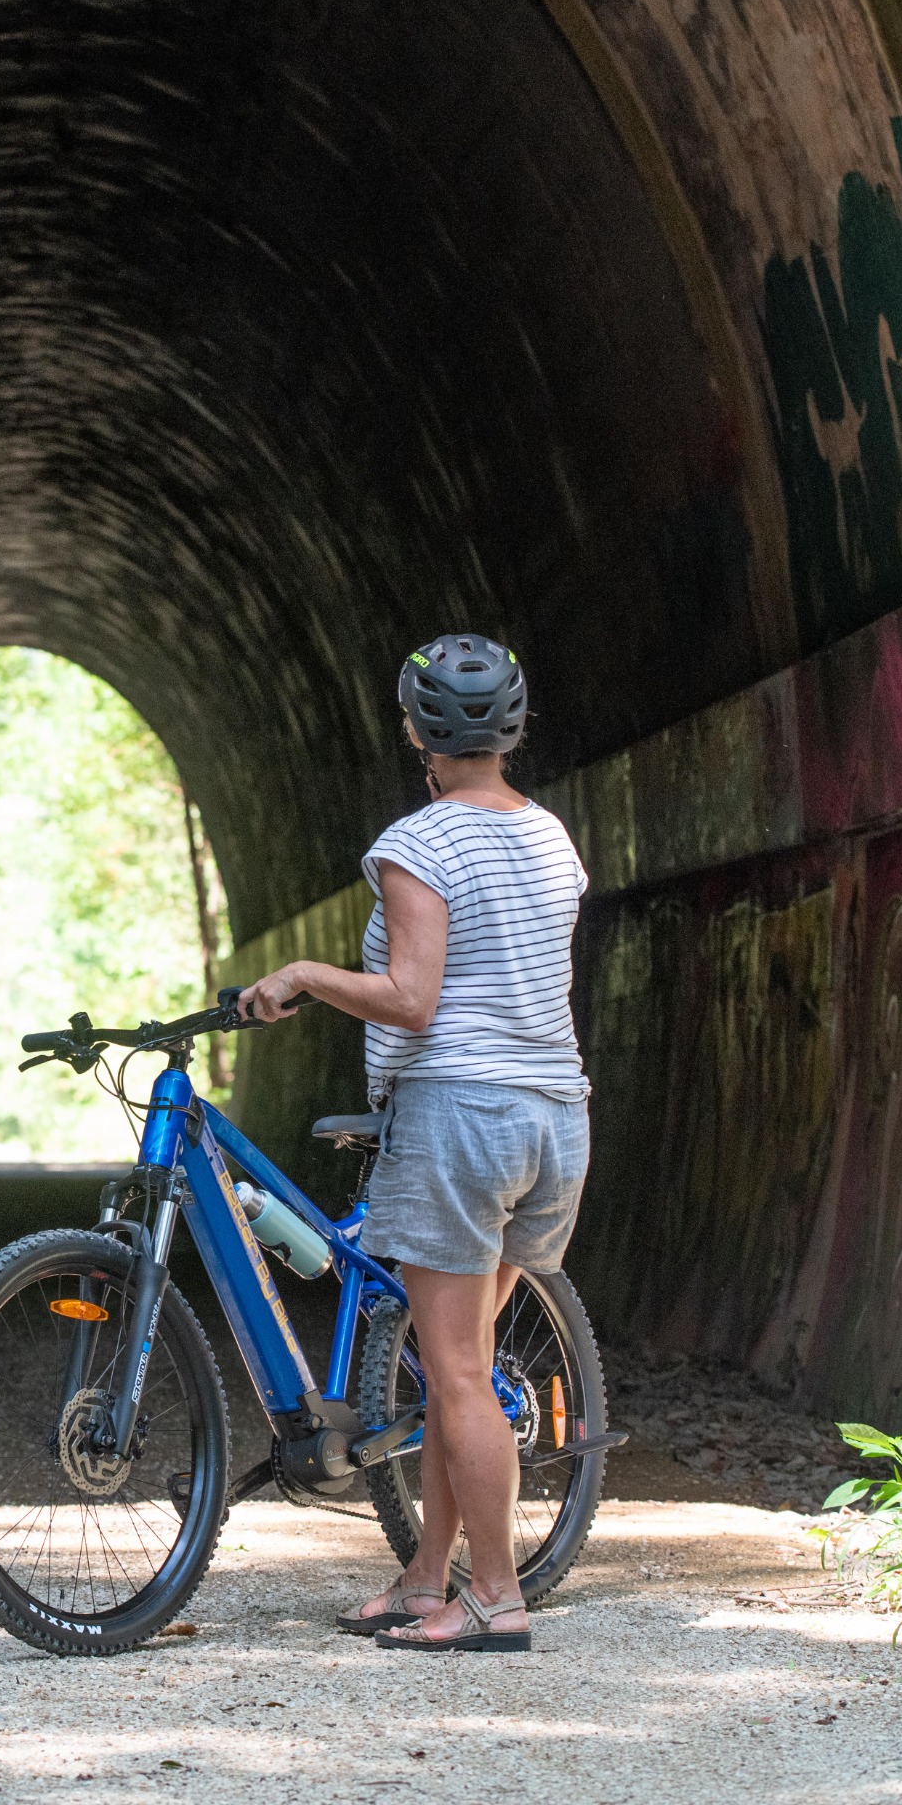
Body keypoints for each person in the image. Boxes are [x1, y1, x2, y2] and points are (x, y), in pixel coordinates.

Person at [240, 633, 589, 1652]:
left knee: (459, 1374)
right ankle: (427, 1575)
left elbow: (414, 998)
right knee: (457, 1368)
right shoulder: (551, 837)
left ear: (413, 729)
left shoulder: (418, 843)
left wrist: (302, 975)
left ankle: (495, 1597)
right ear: (512, 727)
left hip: (462, 1119)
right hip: (555, 1120)